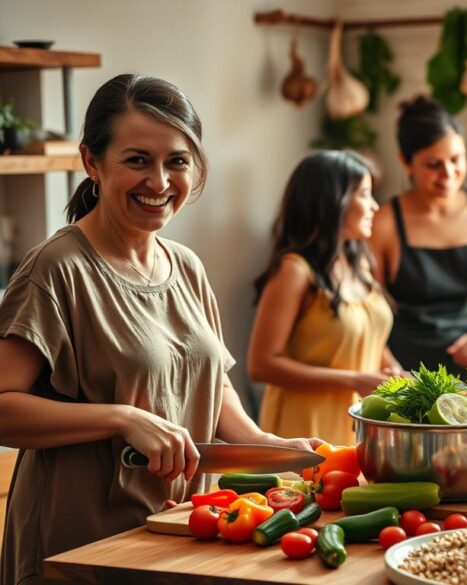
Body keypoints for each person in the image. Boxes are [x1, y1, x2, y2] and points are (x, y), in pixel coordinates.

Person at [0, 74, 318, 585]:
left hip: (183, 532)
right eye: (137, 160)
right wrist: (121, 417)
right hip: (84, 546)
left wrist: (268, 443)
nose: (160, 182)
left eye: (177, 161)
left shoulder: (185, 265)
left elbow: (207, 381)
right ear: (91, 163)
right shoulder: (57, 269)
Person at [251, 150, 396, 446]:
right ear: (334, 201)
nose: (375, 206)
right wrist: (354, 380)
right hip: (304, 431)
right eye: (365, 195)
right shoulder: (295, 270)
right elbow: (261, 364)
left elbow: (371, 339)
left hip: (356, 428)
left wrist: (397, 374)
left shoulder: (362, 265)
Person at [369, 96, 467, 376]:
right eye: (433, 165)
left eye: (456, 159)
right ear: (405, 163)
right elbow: (365, 308)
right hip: (406, 372)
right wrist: (390, 368)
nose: (448, 174)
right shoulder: (383, 223)